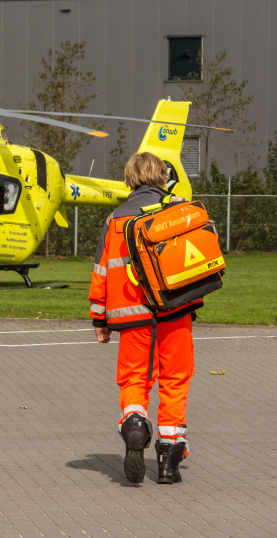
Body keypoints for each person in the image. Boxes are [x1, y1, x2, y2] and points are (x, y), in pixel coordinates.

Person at [89, 152, 202, 485]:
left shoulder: (115, 220)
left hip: (133, 317)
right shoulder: (178, 209)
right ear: (163, 176)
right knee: (175, 380)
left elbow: (101, 272)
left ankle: (136, 423)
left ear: (130, 178)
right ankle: (169, 461)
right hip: (175, 309)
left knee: (134, 379)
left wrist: (100, 319)